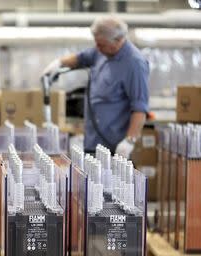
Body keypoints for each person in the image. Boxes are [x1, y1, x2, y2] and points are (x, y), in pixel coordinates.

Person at [42, 16, 149, 158]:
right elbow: (81, 58)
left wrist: (129, 141)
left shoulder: (134, 64)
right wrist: (58, 63)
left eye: (101, 45)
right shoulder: (101, 51)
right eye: (96, 44)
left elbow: (140, 109)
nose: (97, 48)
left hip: (115, 149)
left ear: (118, 40)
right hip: (92, 142)